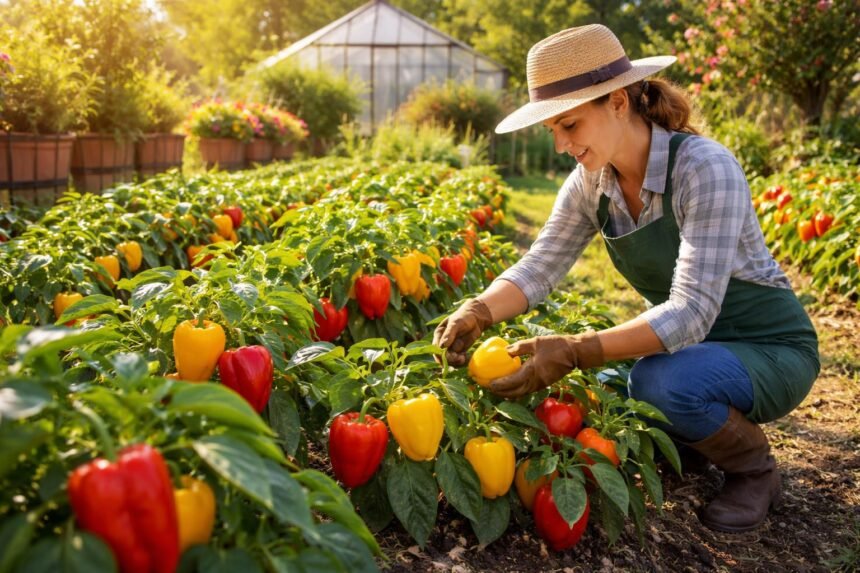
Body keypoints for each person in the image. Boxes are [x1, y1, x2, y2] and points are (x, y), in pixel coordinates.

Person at [432, 24, 819, 533]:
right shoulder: (591, 183)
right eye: (553, 131)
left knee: (657, 381)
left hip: (768, 348)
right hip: (692, 347)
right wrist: (478, 309)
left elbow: (693, 311)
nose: (562, 145)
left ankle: (755, 471)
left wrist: (575, 346)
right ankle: (694, 439)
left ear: (618, 101)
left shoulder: (704, 169)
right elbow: (540, 265)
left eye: (570, 125)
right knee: (600, 387)